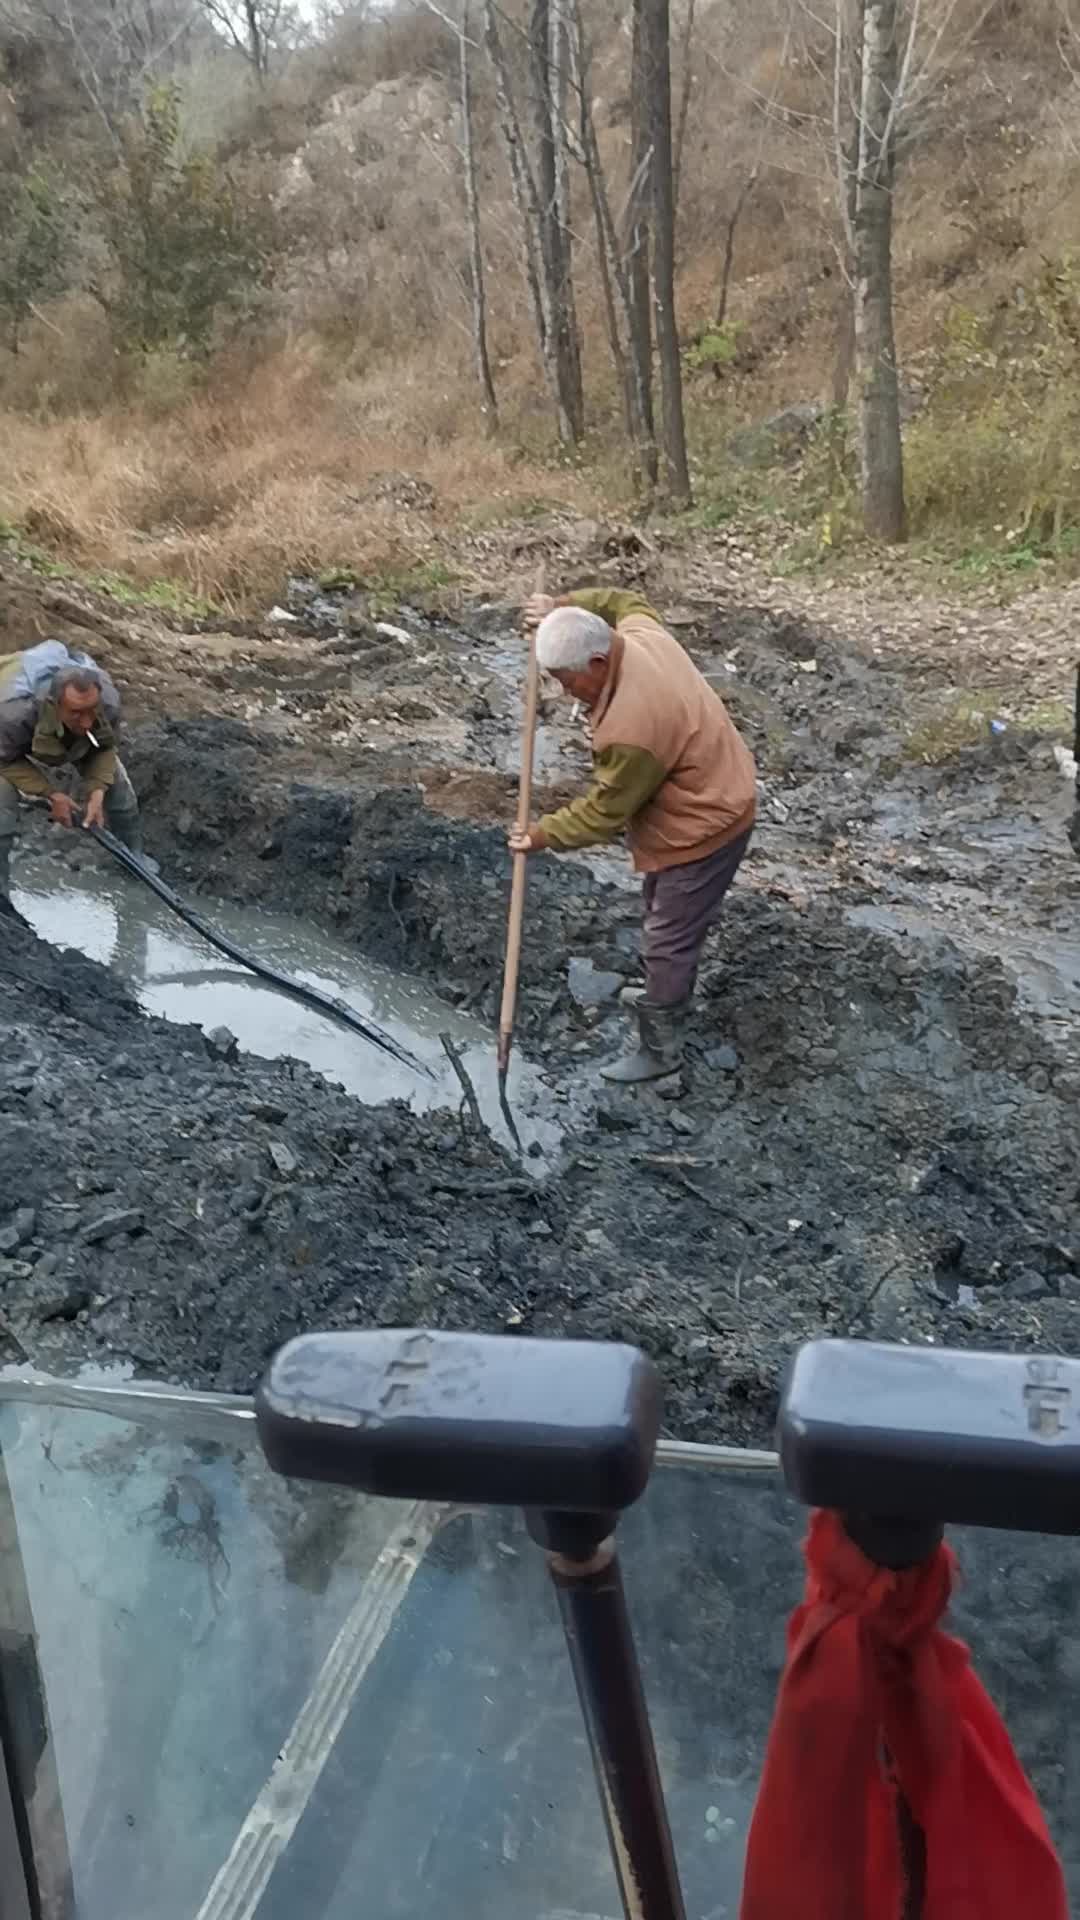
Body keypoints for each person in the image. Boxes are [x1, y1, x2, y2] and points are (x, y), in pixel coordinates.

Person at [509, 586, 757, 1082]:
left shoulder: (632, 726)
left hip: (707, 821)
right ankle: (662, 988)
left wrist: (541, 834)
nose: (563, 692)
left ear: (598, 661)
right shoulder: (642, 634)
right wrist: (560, 604)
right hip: (715, 782)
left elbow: (605, 813)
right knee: (661, 907)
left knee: (668, 936)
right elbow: (623, 599)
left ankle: (661, 1053)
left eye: (566, 680)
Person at [0, 640, 145, 916]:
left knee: (118, 785)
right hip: (5, 739)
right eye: (77, 713)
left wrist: (97, 789)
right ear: (54, 705)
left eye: (92, 710)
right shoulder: (13, 712)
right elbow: (4, 759)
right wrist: (50, 793)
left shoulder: (106, 700)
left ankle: (134, 858)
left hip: (53, 731)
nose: (88, 722)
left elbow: (104, 746)